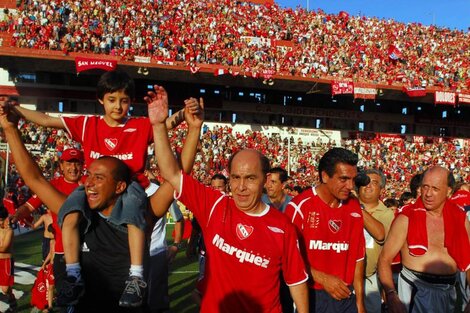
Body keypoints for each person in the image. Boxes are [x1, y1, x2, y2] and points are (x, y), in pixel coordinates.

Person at [1, 70, 201, 308]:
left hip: (134, 197)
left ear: (120, 184)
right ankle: (74, 275)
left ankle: (135, 278)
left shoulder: (142, 208)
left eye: (124, 100)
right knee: (70, 214)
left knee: (133, 214)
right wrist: (14, 115)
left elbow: (176, 173)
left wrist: (190, 120)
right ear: (101, 100)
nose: (118, 106)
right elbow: (41, 145)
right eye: (111, 99)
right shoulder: (88, 128)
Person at [147, 85, 309, 313]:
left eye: (250, 178)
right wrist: (159, 126)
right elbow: (172, 173)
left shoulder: (283, 228)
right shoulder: (214, 205)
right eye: (235, 177)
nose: (241, 187)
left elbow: (296, 281)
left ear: (265, 179)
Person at [378, 166, 470, 313]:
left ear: (449, 191)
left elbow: (469, 262)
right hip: (414, 290)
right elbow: (384, 259)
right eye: (425, 187)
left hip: (450, 292)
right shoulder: (406, 218)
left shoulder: (459, 218)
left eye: (435, 188)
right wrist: (391, 295)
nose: (427, 194)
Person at [285, 147, 366, 313]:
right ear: (324, 176)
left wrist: (359, 302)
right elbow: (288, 259)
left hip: (346, 294)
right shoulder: (299, 207)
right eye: (343, 179)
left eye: (353, 179)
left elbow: (358, 258)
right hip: (311, 294)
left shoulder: (354, 207)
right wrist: (323, 278)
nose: (350, 186)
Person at [11, 147, 84, 311]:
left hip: (88, 250)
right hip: (61, 252)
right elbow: (29, 206)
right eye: (69, 163)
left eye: (77, 163)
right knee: (67, 294)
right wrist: (15, 216)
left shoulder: (89, 183)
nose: (73, 168)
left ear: (83, 165)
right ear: (61, 166)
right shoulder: (52, 185)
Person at [187, 173, 228, 307]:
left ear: (226, 187)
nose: (216, 190)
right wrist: (191, 246)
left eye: (220, 187)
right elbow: (195, 228)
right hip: (206, 252)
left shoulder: (232, 204)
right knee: (204, 284)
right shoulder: (204, 204)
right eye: (214, 187)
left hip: (226, 253)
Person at [357, 169, 394, 313]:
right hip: (344, 278)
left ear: (381, 189)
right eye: (364, 182)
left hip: (369, 279)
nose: (368, 186)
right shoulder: (343, 206)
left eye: (374, 183)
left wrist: (358, 208)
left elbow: (380, 235)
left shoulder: (387, 213)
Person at [261, 167, 294, 313]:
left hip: (287, 268)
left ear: (283, 185)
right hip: (263, 267)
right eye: (267, 181)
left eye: (273, 182)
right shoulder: (258, 202)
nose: (269, 185)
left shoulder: (294, 205)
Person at [0, 209, 16, 313]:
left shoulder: (9, 231)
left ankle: (12, 299)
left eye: (1, 220)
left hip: (6, 262)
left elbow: (4, 248)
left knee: (5, 289)